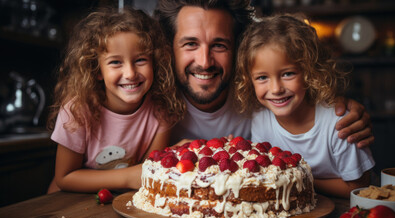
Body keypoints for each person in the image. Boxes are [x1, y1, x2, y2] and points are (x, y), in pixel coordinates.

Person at [154, 0, 374, 148]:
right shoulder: (150, 99)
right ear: (169, 47)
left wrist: (339, 110)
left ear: (240, 48)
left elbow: (312, 107)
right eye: (191, 44)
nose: (205, 62)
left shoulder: (263, 92)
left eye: (219, 45)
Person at [234, 14, 375, 198]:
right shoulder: (260, 118)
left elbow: (359, 187)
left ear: (310, 72)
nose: (276, 89)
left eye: (288, 74)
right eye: (262, 77)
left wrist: (299, 177)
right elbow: (265, 173)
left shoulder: (339, 122)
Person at [46, 7, 185, 193]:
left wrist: (174, 153)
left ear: (155, 63)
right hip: (65, 205)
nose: (130, 73)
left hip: (115, 206)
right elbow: (65, 178)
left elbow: (148, 170)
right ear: (96, 70)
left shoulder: (161, 110)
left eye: (140, 60)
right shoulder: (77, 110)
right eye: (115, 62)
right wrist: (128, 178)